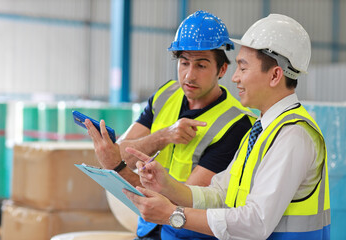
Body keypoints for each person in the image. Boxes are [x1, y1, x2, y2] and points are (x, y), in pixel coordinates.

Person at [123, 14, 331, 240]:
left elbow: (256, 222)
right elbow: (220, 193)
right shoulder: (262, 129)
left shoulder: (292, 135)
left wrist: (173, 214)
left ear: (274, 75)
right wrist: (167, 186)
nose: (234, 78)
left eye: (243, 68)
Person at [86, 10, 255, 240]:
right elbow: (123, 150)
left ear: (222, 70)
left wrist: (117, 167)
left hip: (189, 233)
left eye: (201, 66)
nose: (189, 75)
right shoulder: (166, 94)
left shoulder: (235, 123)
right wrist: (163, 136)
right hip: (149, 227)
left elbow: (180, 201)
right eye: (184, 63)